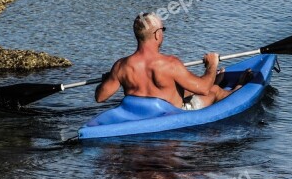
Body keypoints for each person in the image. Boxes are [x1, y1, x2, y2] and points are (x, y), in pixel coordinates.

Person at [94, 13, 251, 109]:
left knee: (179, 86)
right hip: (171, 114)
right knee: (214, 91)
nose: (162, 34)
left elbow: (100, 97)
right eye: (162, 30)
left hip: (141, 115)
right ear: (156, 35)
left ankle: (216, 80)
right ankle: (239, 86)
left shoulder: (121, 66)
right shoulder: (170, 64)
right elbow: (203, 89)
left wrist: (108, 79)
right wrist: (211, 65)